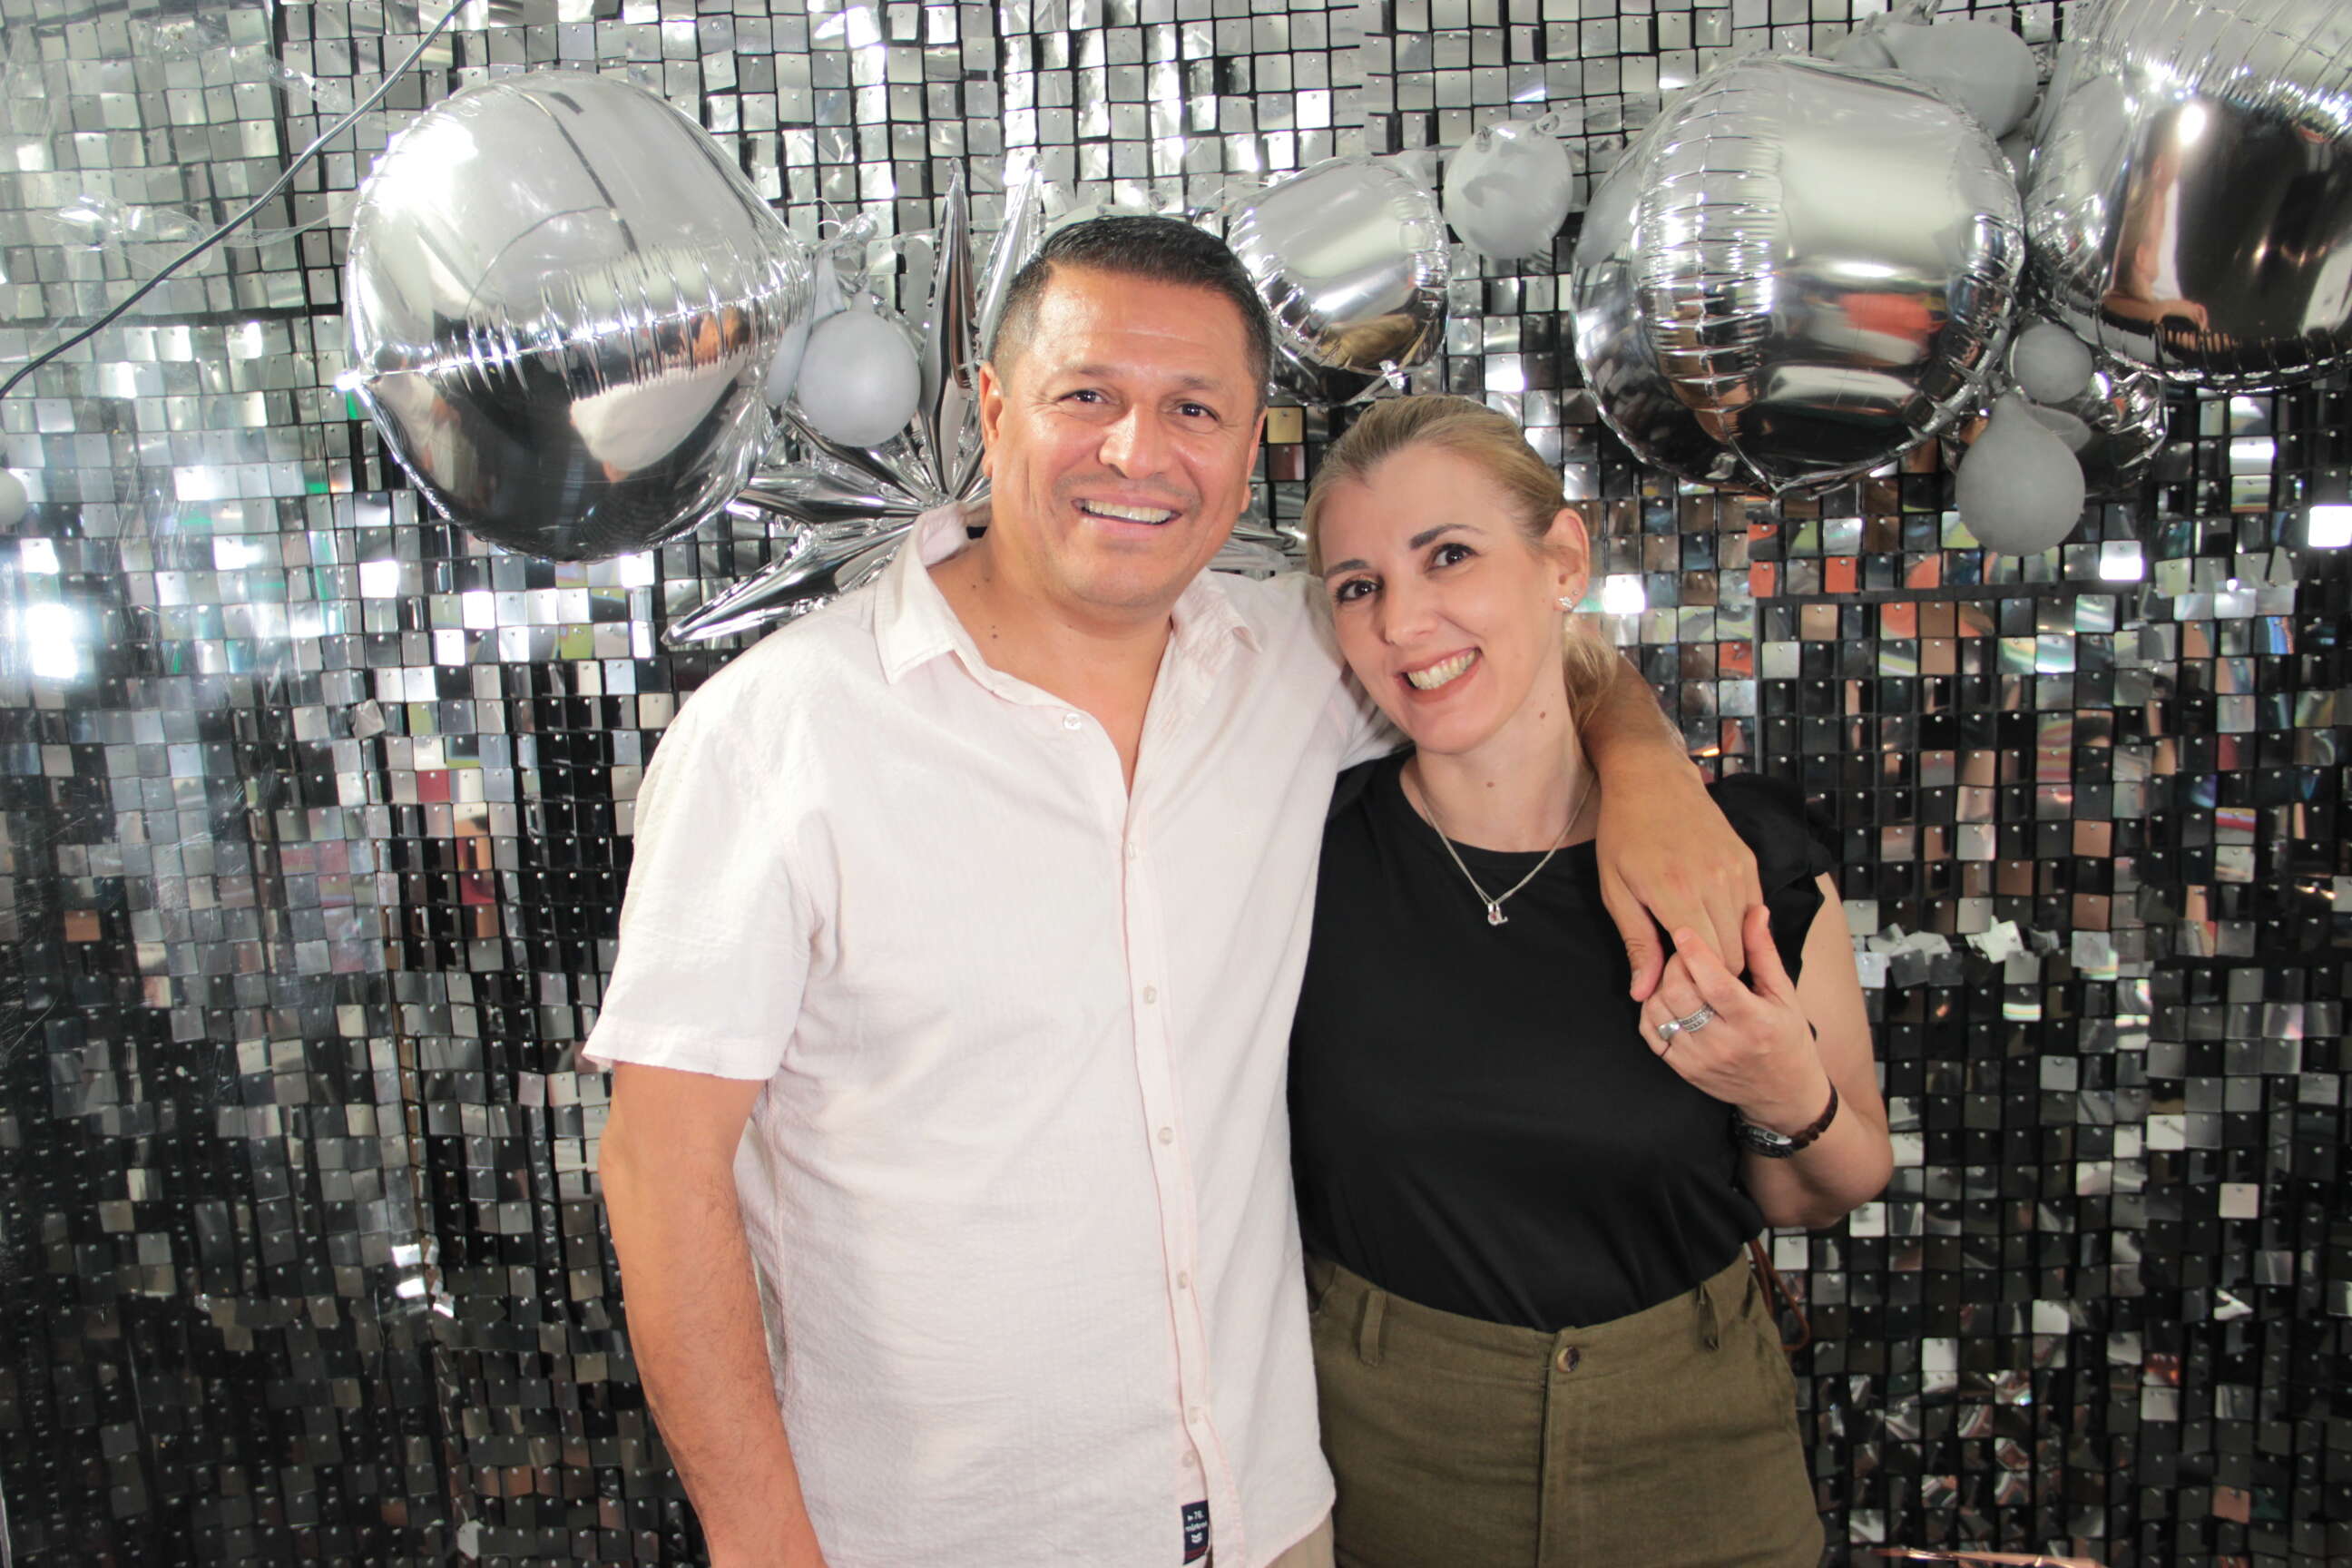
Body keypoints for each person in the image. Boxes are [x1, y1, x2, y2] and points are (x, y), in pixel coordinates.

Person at [582, 217, 1763, 1568]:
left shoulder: (1300, 658)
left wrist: (1649, 771)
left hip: (1268, 1513)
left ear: (1249, 442)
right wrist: (758, 1543)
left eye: (1193, 409)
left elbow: (1520, 656)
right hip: (932, 1536)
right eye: (1088, 395)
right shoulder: (778, 731)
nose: (1137, 453)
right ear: (993, 409)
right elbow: (661, 1170)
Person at [1288, 395, 1894, 1568]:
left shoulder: (1736, 861)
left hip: (1698, 1459)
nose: (1403, 622)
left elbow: (1828, 1189)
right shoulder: (1303, 859)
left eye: (1448, 556)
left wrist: (1783, 1091)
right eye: (1359, 586)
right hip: (1388, 1462)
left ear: (1562, 560)